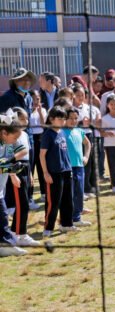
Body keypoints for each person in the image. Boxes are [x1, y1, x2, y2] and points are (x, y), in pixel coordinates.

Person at [39, 107, 78, 238]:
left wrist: (69, 168)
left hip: (66, 170)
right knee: (53, 202)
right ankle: (48, 227)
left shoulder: (62, 132)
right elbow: (42, 155)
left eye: (64, 118)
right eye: (59, 118)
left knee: (68, 200)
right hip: (54, 173)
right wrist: (45, 173)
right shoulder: (48, 134)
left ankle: (66, 224)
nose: (62, 121)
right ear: (51, 119)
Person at [4, 108, 39, 246]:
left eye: (26, 118)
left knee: (25, 203)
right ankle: (19, 234)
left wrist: (29, 173)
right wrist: (13, 174)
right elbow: (9, 156)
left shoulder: (23, 134)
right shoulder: (11, 135)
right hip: (15, 168)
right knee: (21, 204)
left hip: (25, 167)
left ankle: (17, 232)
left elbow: (27, 155)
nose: (26, 121)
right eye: (22, 118)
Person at [0, 110, 28, 256]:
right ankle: (8, 245)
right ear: (4, 133)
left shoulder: (8, 142)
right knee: (3, 216)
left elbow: (23, 150)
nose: (17, 140)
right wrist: (9, 167)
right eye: (15, 137)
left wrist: (10, 166)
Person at [64, 107, 92, 227]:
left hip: (79, 167)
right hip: (67, 168)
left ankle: (77, 218)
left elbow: (87, 143)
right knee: (68, 194)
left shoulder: (80, 131)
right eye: (70, 118)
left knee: (79, 193)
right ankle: (66, 220)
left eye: (75, 118)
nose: (73, 121)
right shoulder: (61, 132)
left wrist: (86, 156)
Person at [28, 90, 46, 207]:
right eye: (33, 99)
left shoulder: (43, 110)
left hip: (40, 138)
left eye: (38, 99)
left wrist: (39, 112)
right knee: (31, 168)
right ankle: (30, 197)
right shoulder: (27, 111)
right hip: (30, 138)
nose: (36, 101)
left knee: (41, 166)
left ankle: (44, 193)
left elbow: (44, 125)